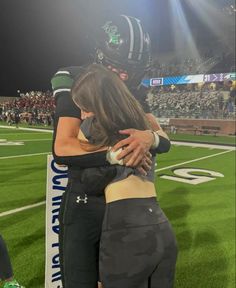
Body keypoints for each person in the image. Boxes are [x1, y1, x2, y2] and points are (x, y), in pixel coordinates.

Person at [51, 15, 171, 288]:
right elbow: (63, 145)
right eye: (120, 68)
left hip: (126, 208)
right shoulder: (73, 77)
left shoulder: (136, 91)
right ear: (100, 55)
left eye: (133, 69)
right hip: (86, 202)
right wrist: (118, 153)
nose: (126, 76)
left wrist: (147, 138)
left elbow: (163, 139)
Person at [72, 63, 177, 288]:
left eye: (84, 107)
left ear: (96, 102)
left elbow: (88, 179)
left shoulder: (90, 126)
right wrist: (150, 138)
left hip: (125, 229)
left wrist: (112, 158)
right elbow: (165, 142)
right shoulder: (145, 120)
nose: (82, 114)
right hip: (160, 226)